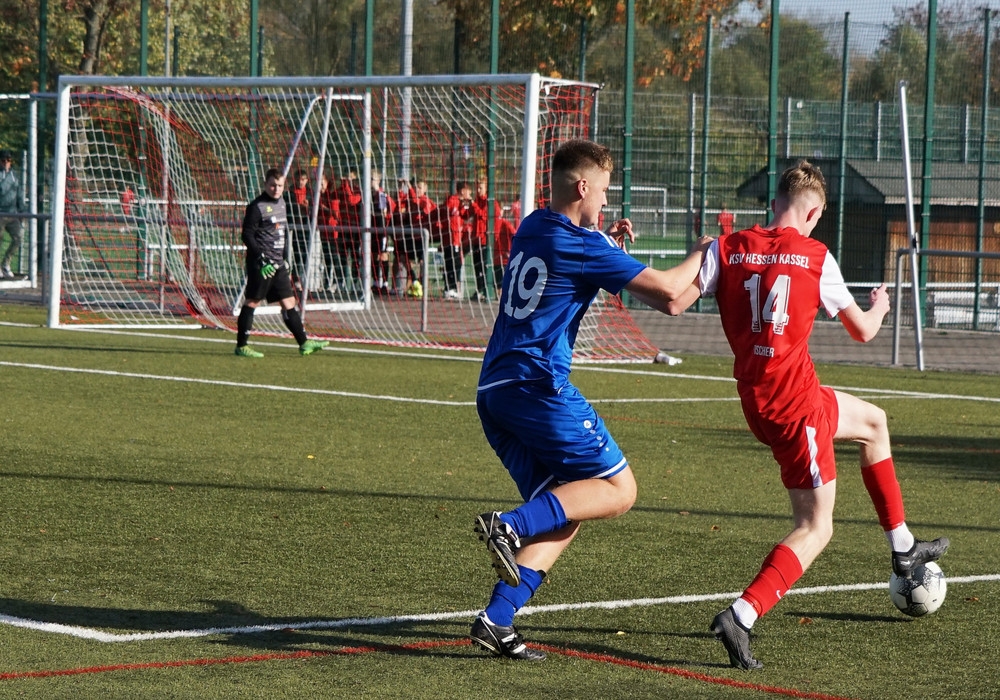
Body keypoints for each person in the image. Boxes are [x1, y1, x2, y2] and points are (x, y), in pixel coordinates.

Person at [670, 160, 949, 670]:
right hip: (796, 409)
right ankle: (742, 615)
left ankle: (904, 547)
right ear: (815, 213)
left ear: (774, 202)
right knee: (816, 527)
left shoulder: (728, 248)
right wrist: (881, 305)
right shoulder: (816, 256)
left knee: (874, 423)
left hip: (762, 399)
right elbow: (863, 331)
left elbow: (674, 298)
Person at [470, 139, 712, 661]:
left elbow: (574, 253)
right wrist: (704, 254)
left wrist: (605, 240)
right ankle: (508, 526)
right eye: (603, 190)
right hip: (538, 388)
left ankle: (497, 619)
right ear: (583, 187)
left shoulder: (533, 225)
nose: (606, 200)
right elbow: (671, 295)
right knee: (619, 490)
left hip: (495, 391)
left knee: (564, 509)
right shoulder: (583, 246)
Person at [235, 168, 330, 358]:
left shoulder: (282, 202)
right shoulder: (256, 206)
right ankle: (241, 346)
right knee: (253, 301)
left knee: (289, 302)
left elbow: (282, 232)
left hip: (278, 263)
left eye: (279, 185)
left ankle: (304, 343)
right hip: (262, 265)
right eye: (272, 185)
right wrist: (261, 258)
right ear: (265, 184)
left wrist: (285, 257)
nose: (276, 189)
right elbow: (247, 234)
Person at [393, 179, 435, 298]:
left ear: (425, 189)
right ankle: (412, 281)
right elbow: (400, 202)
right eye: (415, 187)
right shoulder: (409, 199)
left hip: (421, 237)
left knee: (422, 262)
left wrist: (410, 187)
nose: (417, 190)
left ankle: (422, 286)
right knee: (402, 258)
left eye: (420, 187)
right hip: (409, 235)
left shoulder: (425, 201)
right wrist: (400, 188)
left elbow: (420, 205)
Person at [441, 181, 474, 299]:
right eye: (469, 192)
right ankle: (450, 288)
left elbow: (466, 215)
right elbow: (447, 213)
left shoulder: (460, 203)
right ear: (463, 191)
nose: (470, 194)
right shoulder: (452, 200)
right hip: (451, 239)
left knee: (457, 263)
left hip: (456, 240)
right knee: (452, 263)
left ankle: (452, 288)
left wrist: (470, 203)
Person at [0, 149, 24, 278]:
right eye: (3, 160)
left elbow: (19, 194)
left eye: (8, 160)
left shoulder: (15, 176)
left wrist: (22, 212)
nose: (6, 163)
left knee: (18, 237)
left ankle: (6, 263)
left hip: (12, 214)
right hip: (0, 214)